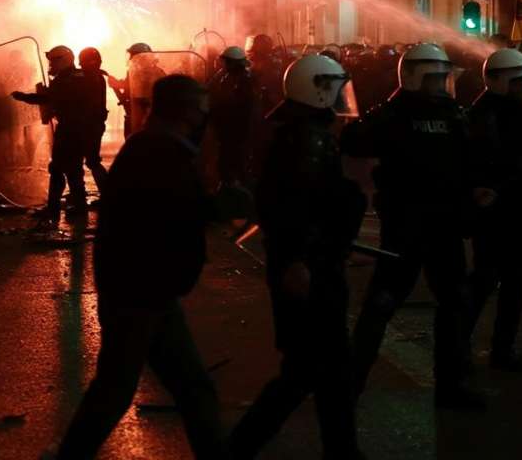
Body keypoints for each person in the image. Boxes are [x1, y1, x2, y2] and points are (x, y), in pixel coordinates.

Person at [56, 75, 224, 460]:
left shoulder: (154, 147)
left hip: (147, 292)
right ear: (183, 110)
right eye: (199, 104)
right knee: (118, 392)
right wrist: (214, 208)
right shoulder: (158, 152)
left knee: (189, 390)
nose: (204, 113)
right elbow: (167, 215)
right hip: (140, 294)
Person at [229, 55, 366, 460]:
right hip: (310, 267)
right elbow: (293, 208)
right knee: (306, 370)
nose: (342, 96)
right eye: (336, 88)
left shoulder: (306, 133)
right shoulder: (304, 139)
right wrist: (297, 260)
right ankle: (237, 449)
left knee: (329, 370)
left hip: (313, 262)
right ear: (318, 89)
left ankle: (341, 450)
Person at [344, 43, 486, 410]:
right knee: (384, 303)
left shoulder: (445, 114)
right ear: (411, 77)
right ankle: (348, 385)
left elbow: (470, 160)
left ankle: (450, 385)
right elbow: (355, 141)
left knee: (453, 304)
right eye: (434, 78)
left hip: (441, 226)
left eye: (444, 78)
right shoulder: (399, 115)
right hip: (409, 226)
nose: (441, 85)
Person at [466, 49, 522, 372]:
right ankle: (465, 346)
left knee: (515, 277)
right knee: (487, 277)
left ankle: (501, 348)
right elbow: (495, 161)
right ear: (499, 81)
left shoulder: (519, 112)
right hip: (497, 209)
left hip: (517, 205)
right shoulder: (485, 115)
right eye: (518, 82)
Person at [12, 46, 92, 224]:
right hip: (78, 128)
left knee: (57, 168)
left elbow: (47, 98)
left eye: (54, 61)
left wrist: (23, 97)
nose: (51, 64)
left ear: (64, 60)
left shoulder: (66, 80)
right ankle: (78, 207)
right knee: (73, 169)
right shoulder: (78, 77)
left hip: (69, 129)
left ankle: (53, 208)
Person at [208, 46, 258, 194]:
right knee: (228, 161)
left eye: (226, 61)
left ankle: (240, 194)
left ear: (233, 62)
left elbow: (240, 106)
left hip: (237, 130)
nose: (223, 64)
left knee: (235, 162)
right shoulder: (228, 76)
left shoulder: (244, 79)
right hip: (229, 129)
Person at [77, 47, 109, 197]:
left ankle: (109, 193)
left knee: (91, 161)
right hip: (93, 124)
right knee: (91, 160)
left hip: (90, 125)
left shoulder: (90, 78)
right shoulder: (96, 76)